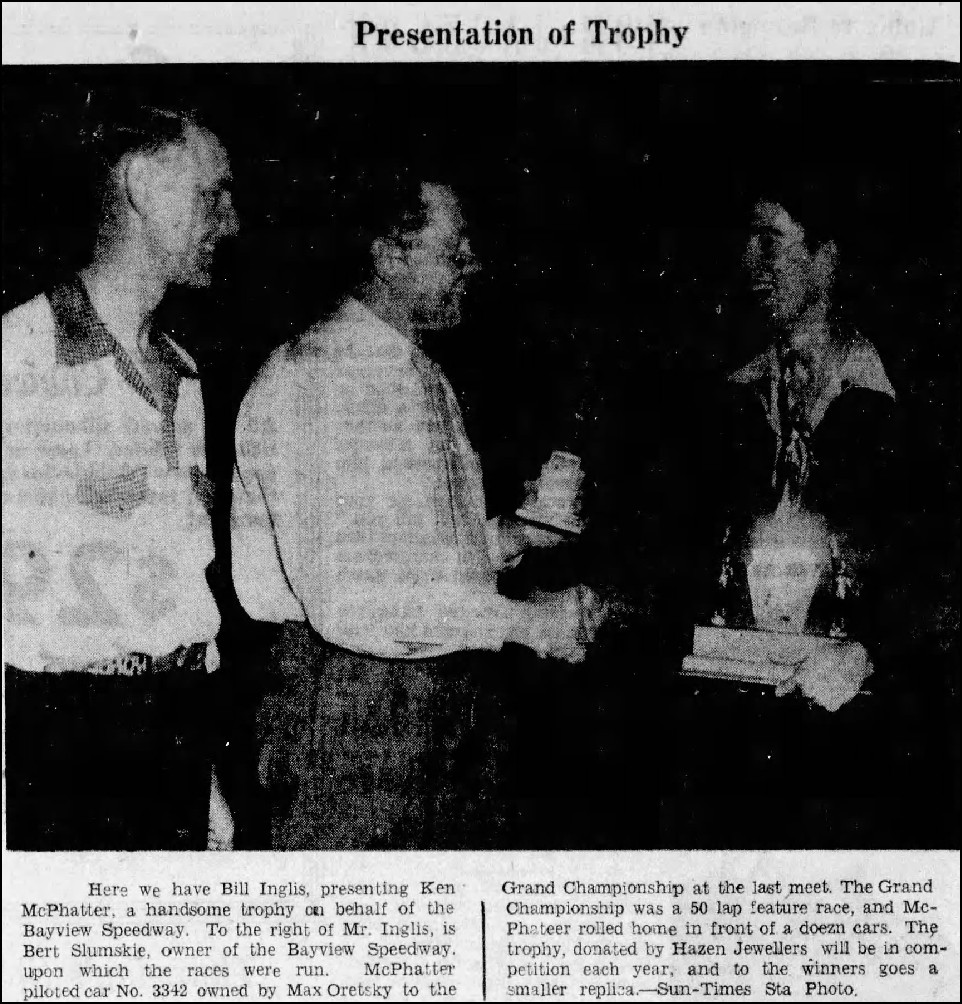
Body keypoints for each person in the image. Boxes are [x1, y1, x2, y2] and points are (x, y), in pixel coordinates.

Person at [231, 170, 596, 849]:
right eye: (455, 250)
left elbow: (411, 558)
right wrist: (527, 622)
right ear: (388, 255)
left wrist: (510, 536)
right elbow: (355, 600)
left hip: (440, 699)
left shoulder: (422, 374)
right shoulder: (318, 378)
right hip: (351, 711)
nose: (473, 265)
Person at [2, 103, 239, 850]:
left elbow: (179, 586)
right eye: (211, 195)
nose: (230, 222)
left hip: (176, 726)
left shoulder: (183, 374)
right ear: (138, 183)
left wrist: (201, 776)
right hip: (59, 741)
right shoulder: (21, 355)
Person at [714, 178, 900, 710]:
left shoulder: (885, 398)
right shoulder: (735, 396)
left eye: (770, 241)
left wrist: (870, 651)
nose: (751, 261)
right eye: (747, 242)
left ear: (826, 258)